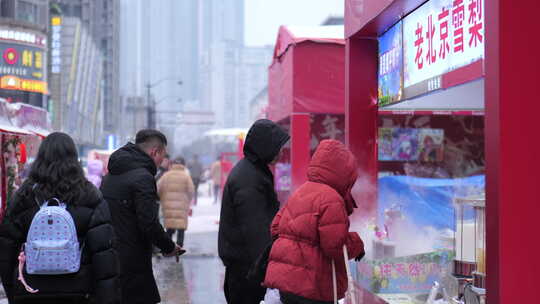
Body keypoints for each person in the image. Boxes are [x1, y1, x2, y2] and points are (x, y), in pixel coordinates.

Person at [0, 132, 120, 304]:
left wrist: (15, 291)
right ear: (74, 158)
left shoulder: (23, 197)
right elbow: (104, 255)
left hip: (31, 290)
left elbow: (6, 252)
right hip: (79, 291)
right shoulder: (90, 196)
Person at [264, 140, 365, 304]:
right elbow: (334, 246)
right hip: (312, 288)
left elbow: (275, 228)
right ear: (343, 173)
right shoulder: (332, 199)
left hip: (286, 284)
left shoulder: (301, 190)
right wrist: (357, 244)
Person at [100, 129, 183, 304]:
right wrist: (168, 247)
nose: (162, 161)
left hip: (108, 255)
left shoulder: (111, 174)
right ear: (155, 152)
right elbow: (149, 222)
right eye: (163, 155)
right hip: (133, 261)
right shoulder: (143, 178)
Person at [218, 119, 289, 304]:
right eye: (277, 146)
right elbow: (256, 230)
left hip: (247, 268)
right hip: (248, 273)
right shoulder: (249, 178)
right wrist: (269, 270)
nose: (281, 152)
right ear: (265, 146)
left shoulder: (253, 171)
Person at [157, 156, 194, 247]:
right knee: (181, 228)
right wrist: (187, 200)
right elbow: (191, 191)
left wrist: (163, 198)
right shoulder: (186, 176)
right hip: (182, 206)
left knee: (170, 227)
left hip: (168, 206)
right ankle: (180, 246)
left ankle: (169, 248)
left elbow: (158, 189)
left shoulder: (166, 176)